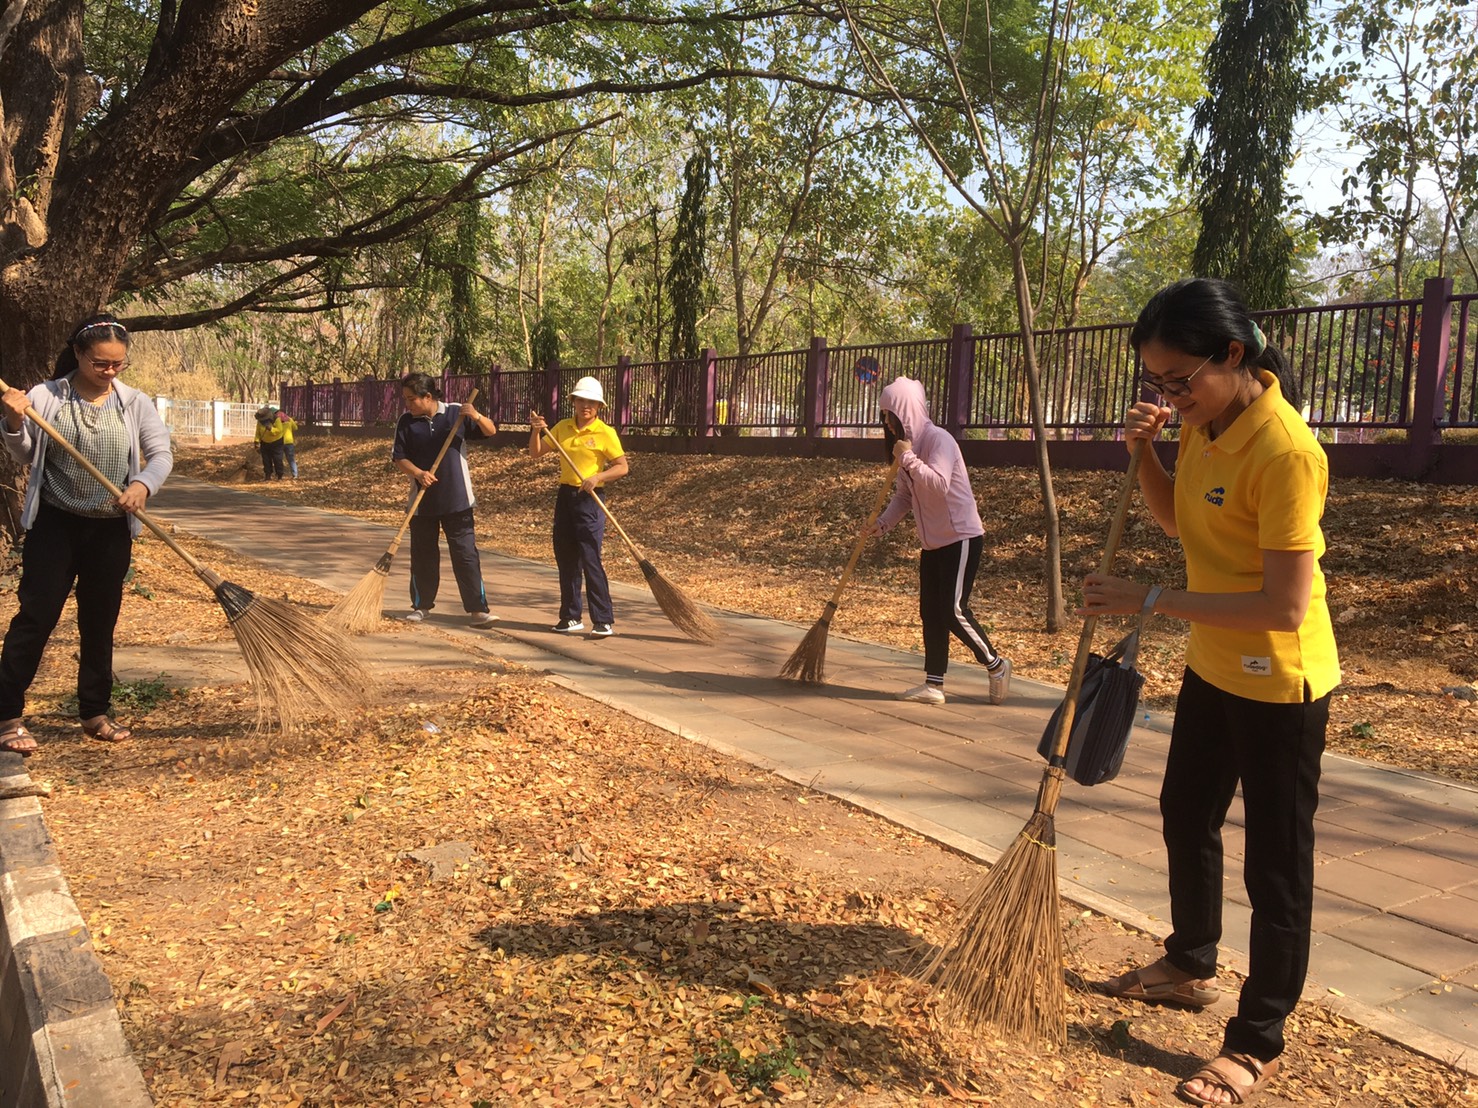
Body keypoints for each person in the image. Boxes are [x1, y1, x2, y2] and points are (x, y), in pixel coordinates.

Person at [1081, 279, 1340, 1107]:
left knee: (1276, 865)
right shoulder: (1203, 424)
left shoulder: (1286, 451)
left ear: (1233, 354)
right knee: (1185, 812)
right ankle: (1191, 961)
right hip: (1215, 665)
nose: (1169, 396)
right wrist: (1144, 453)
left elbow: (1283, 606)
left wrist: (1149, 600)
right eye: (1155, 382)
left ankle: (1257, 1041)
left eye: (1180, 379)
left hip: (1281, 680)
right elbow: (1176, 523)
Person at [0, 314, 173, 751]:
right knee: (36, 618)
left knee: (100, 622)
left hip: (109, 532)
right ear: (78, 354)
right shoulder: (46, 396)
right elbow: (24, 455)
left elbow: (160, 455)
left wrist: (142, 484)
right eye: (100, 363)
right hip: (55, 527)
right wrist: (14, 422)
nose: (109, 371)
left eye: (118, 364)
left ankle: (95, 712)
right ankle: (7, 715)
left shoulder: (134, 403)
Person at [864, 377, 1010, 705]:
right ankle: (934, 684)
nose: (887, 423)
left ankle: (996, 664)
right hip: (932, 543)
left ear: (905, 410)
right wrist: (882, 524)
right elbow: (904, 496)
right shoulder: (905, 449)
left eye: (889, 415)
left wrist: (908, 459)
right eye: (883, 416)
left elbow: (940, 484)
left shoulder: (939, 440)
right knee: (930, 612)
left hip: (961, 537)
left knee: (952, 610)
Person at [391, 373, 499, 627]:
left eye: (411, 399)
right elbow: (399, 457)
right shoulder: (406, 421)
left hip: (458, 500)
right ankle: (421, 606)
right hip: (422, 502)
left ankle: (478, 610)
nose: (407, 403)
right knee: (423, 556)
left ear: (428, 396)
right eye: (405, 398)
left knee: (466, 555)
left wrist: (476, 416)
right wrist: (418, 473)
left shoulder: (455, 413)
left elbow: (491, 431)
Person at [528, 376, 627, 636]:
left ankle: (603, 619)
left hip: (590, 499)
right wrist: (536, 430)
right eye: (581, 400)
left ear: (599, 406)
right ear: (573, 401)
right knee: (566, 558)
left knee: (590, 557)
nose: (586, 406)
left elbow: (622, 467)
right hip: (566, 496)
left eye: (592, 402)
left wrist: (598, 477)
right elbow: (535, 453)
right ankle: (571, 616)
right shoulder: (562, 427)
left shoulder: (605, 433)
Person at [254, 406, 287, 479]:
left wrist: (271, 429)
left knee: (277, 459)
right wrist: (256, 441)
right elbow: (258, 432)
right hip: (264, 442)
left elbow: (279, 430)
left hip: (277, 442)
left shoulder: (276, 419)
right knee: (266, 460)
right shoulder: (260, 421)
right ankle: (268, 475)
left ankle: (279, 475)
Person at [278, 410, 299, 478]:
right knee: (291, 459)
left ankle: (280, 475)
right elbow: (295, 428)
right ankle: (295, 474)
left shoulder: (277, 420)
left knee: (279, 459)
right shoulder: (289, 419)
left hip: (280, 442)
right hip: (289, 441)